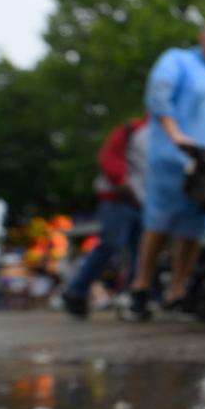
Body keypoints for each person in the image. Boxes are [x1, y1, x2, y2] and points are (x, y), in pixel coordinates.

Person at [125, 18, 205, 321]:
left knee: (194, 228)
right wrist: (176, 134)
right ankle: (140, 286)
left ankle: (177, 291)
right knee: (160, 223)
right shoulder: (177, 61)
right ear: (202, 36)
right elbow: (159, 96)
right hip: (173, 155)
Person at [62, 117, 148, 318]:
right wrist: (121, 181)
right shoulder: (133, 129)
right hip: (118, 197)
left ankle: (131, 296)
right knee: (111, 243)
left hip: (143, 201)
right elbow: (109, 156)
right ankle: (76, 290)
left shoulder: (170, 134)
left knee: (141, 251)